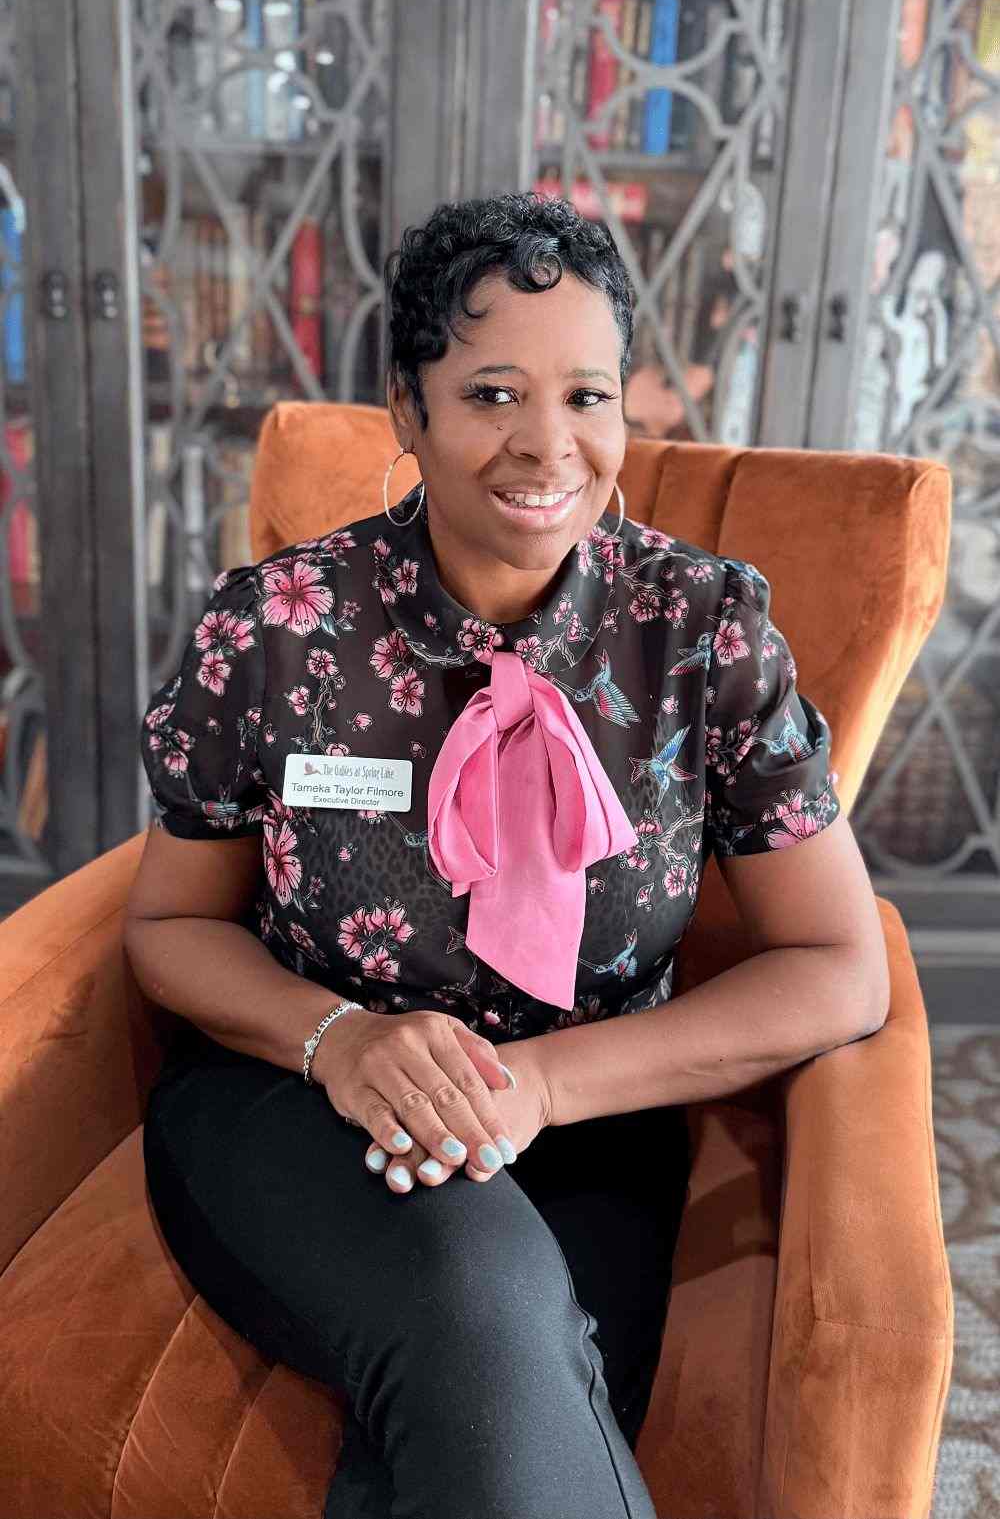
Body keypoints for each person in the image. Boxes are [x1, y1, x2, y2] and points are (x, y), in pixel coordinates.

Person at [126, 190, 890, 1519]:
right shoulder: (280, 629)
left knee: (482, 1397)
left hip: (591, 1117)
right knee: (479, 1312)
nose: (550, 445)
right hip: (291, 1102)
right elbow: (167, 929)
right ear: (406, 409)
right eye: (491, 391)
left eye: (588, 394)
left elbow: (840, 966)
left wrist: (535, 1086)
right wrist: (342, 1043)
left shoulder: (700, 633)